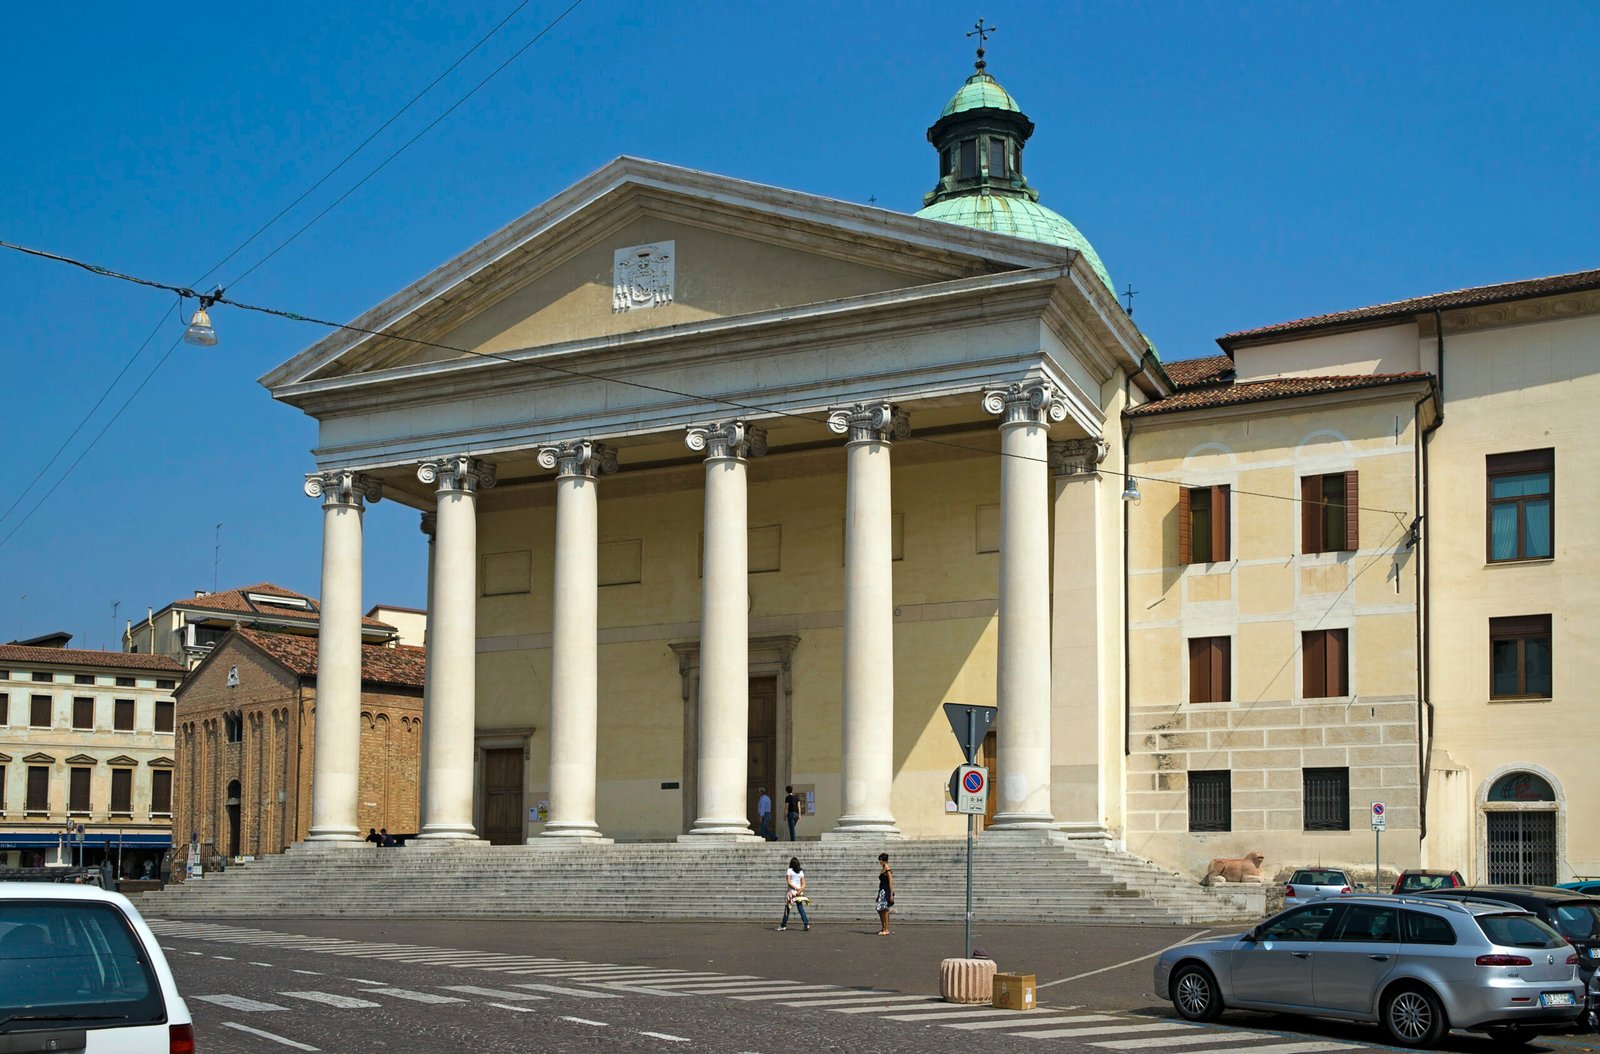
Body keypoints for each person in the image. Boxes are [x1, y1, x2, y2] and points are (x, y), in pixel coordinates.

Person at [778, 856, 810, 931]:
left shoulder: (789, 870)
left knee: (787, 909)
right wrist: (799, 890)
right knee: (800, 908)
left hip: (791, 892)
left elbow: (788, 881)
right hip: (799, 892)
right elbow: (804, 883)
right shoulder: (801, 872)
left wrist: (795, 888)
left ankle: (783, 925)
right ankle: (806, 923)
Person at [875, 852, 894, 936]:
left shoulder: (887, 868)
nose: (880, 862)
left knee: (885, 910)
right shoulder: (883, 868)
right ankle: (883, 927)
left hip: (886, 891)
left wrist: (891, 894)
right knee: (880, 909)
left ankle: (886, 929)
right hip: (882, 891)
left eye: (880, 860)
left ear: (884, 860)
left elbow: (890, 881)